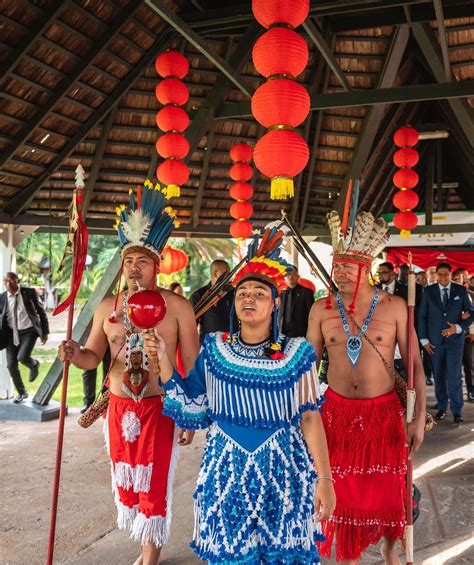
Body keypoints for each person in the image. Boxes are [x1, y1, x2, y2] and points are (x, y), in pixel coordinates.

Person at [143, 228, 336, 564]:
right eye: (243, 293)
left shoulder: (296, 353)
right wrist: (162, 358)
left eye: (259, 293)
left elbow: (309, 417)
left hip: (284, 474)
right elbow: (193, 403)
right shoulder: (215, 350)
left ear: (275, 303)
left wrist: (325, 479)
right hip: (226, 473)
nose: (249, 298)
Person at [59, 181, 199, 565]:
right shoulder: (108, 307)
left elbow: (192, 365)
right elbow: (92, 357)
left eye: (143, 261)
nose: (135, 268)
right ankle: (143, 543)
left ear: (158, 265)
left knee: (156, 481)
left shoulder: (178, 308)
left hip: (161, 407)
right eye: (129, 261)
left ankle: (150, 552)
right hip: (119, 408)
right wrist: (74, 354)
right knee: (128, 480)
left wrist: (190, 416)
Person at [308, 210, 426, 564]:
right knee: (341, 495)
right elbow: (306, 370)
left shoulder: (394, 307)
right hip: (337, 413)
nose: (339, 273)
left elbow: (415, 366)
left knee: (388, 491)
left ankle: (389, 549)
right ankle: (348, 556)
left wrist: (418, 418)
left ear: (367, 267)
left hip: (384, 413)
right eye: (336, 266)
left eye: (347, 267)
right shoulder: (320, 309)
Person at [418, 262, 472, 423]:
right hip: (434, 342)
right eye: (440, 274)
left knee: (454, 375)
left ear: (450, 274)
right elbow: (422, 316)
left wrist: (458, 327)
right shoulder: (429, 291)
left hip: (454, 342)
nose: (443, 277)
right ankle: (442, 407)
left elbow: (471, 312)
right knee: (438, 374)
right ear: (436, 274)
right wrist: (424, 339)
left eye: (446, 274)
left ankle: (457, 411)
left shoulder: (460, 290)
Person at [0, 272, 49, 403]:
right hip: (11, 333)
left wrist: (45, 331)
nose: (8, 283)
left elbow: (41, 312)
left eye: (11, 280)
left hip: (29, 331)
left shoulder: (29, 293)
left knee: (22, 357)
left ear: (18, 281)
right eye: (5, 281)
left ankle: (34, 365)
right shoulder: (2, 298)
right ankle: (22, 393)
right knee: (11, 365)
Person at [377, 262, 428, 383]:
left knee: (405, 373)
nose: (381, 275)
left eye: (384, 272)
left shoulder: (408, 290)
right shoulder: (374, 290)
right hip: (381, 336)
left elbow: (417, 315)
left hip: (402, 335)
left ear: (393, 274)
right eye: (379, 273)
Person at [189, 259, 236, 343]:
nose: (230, 276)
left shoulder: (234, 292)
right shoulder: (199, 295)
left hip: (233, 344)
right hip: (208, 345)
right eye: (226, 273)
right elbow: (190, 326)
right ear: (215, 274)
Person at [278, 265, 314, 337]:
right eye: (288, 274)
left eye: (294, 274)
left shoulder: (306, 293)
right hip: (282, 334)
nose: (291, 277)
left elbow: (312, 316)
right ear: (284, 277)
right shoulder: (281, 294)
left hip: (300, 334)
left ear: (298, 276)